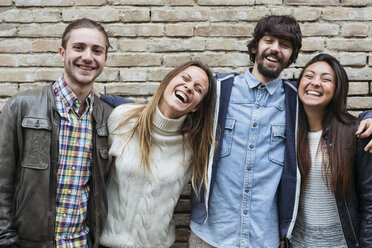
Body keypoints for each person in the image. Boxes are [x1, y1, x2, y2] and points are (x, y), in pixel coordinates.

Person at [97, 15, 372, 247]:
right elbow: (167, 103)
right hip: (209, 235)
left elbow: (335, 114)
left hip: (264, 239)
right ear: (255, 47)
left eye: (285, 45)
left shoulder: (295, 100)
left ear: (291, 57)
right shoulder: (219, 90)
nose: (275, 48)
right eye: (269, 41)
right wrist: (100, 97)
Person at [0, 18, 113, 247]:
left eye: (97, 50)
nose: (88, 57)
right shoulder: (21, 107)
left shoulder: (108, 118)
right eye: (79, 47)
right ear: (63, 53)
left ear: (104, 59)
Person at [98, 61, 216, 248]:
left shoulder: (195, 148)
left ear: (196, 107)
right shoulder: (122, 118)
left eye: (198, 89)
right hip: (105, 243)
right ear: (168, 81)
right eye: (185, 78)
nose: (189, 87)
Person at [287, 54, 372, 247]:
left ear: (337, 89)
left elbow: (370, 202)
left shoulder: (357, 133)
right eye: (309, 76)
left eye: (326, 79)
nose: (315, 83)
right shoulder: (287, 132)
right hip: (297, 244)